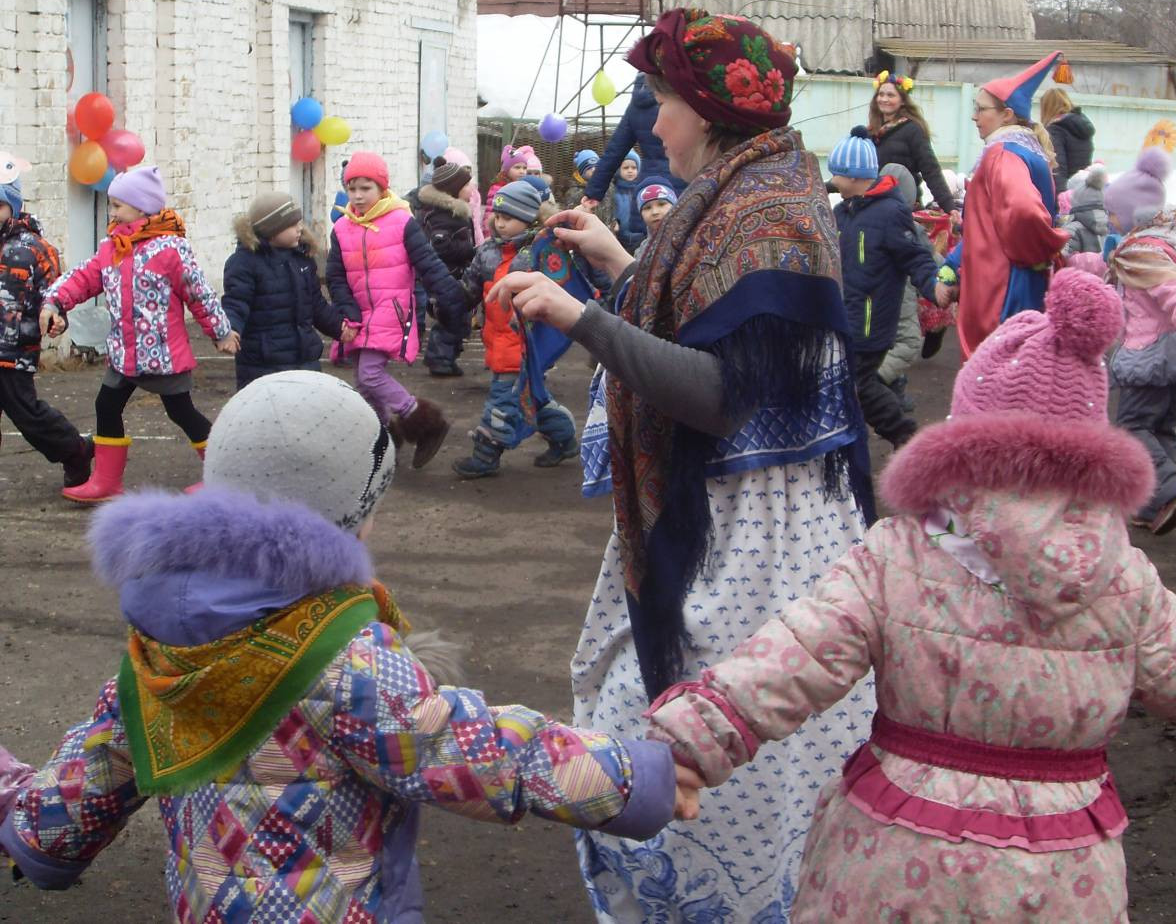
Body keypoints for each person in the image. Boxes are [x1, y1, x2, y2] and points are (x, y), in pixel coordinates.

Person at [648, 268, 1176, 922]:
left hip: (895, 857)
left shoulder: (901, 552)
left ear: (964, 433)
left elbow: (794, 654)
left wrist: (691, 744)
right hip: (1060, 878)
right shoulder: (1120, 575)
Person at [0, 371, 681, 920]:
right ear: (354, 512)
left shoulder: (158, 651)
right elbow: (482, 751)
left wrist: (32, 827)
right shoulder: (340, 662)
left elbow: (78, 792)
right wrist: (637, 778)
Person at [492, 7, 876, 922]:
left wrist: (577, 317)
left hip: (756, 545)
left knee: (710, 738)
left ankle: (722, 903)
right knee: (677, 722)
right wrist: (619, 261)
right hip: (737, 524)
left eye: (662, 100)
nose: (652, 121)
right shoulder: (750, 191)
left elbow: (720, 394)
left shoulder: (768, 214)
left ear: (705, 110)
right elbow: (711, 324)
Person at [40, 166, 237, 501]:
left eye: (118, 205)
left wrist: (219, 331)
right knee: (106, 405)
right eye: (112, 204)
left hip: (162, 355)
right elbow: (85, 277)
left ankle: (224, 474)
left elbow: (198, 292)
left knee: (181, 412)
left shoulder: (170, 249)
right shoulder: (112, 247)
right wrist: (56, 301)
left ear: (143, 207)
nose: (112, 211)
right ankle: (107, 482)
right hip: (123, 353)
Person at [325, 151, 466, 469]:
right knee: (363, 382)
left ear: (382, 188)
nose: (358, 196)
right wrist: (346, 311)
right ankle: (383, 439)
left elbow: (428, 264)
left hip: (392, 311)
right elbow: (335, 276)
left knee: (371, 375)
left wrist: (452, 299)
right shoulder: (342, 229)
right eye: (352, 189)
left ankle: (425, 422)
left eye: (366, 188)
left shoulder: (402, 221)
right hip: (358, 315)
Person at [452, 176, 584, 479]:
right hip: (495, 341)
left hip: (523, 343)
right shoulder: (487, 251)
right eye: (496, 217)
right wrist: (450, 302)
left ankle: (486, 455)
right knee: (532, 398)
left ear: (526, 219)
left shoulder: (537, 253)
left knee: (502, 401)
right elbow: (470, 287)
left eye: (508, 218)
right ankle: (564, 439)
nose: (499, 224)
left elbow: (561, 286)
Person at [941, 53, 1071, 358]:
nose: (974, 117)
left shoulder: (1002, 153)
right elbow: (987, 225)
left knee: (999, 376)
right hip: (1018, 281)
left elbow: (1024, 212)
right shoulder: (1024, 150)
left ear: (1007, 114)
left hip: (1003, 289)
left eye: (981, 109)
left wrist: (1034, 253)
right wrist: (955, 263)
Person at [829, 127, 942, 449]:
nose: (833, 180)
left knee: (860, 383)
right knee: (848, 384)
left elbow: (916, 257)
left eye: (837, 173)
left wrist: (934, 287)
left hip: (871, 322)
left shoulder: (891, 213)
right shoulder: (843, 214)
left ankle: (905, 436)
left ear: (853, 176)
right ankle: (853, 439)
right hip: (846, 318)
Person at [1107, 204, 1176, 535]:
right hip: (1173, 360)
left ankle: (1171, 488)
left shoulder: (1145, 255)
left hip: (1147, 360)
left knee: (1132, 429)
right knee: (1161, 431)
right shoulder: (1164, 255)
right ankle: (1154, 504)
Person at [0, 176, 92, 487]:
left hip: (13, 350)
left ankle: (76, 450)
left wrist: (57, 317)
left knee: (27, 415)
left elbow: (53, 291)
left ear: (13, 206)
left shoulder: (36, 248)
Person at [222, 192, 354, 390]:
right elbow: (236, 302)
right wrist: (228, 331)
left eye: (300, 222)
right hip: (263, 366)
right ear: (271, 230)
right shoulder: (244, 263)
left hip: (304, 360)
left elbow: (316, 305)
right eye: (293, 224)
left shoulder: (302, 258)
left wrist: (339, 327)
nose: (300, 228)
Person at [875, 162, 936, 413]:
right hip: (901, 296)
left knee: (882, 344)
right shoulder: (910, 228)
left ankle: (893, 392)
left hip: (870, 298)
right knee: (909, 342)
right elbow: (929, 259)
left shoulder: (863, 217)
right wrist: (953, 274)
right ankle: (871, 385)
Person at [408, 157, 477, 378]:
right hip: (445, 278)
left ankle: (448, 357)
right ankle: (439, 359)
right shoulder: (442, 216)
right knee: (450, 319)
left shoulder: (457, 212)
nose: (471, 188)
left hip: (456, 275)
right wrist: (469, 250)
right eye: (466, 185)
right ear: (453, 190)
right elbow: (440, 246)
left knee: (459, 318)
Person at [579, 81, 683, 215]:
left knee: (648, 231)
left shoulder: (638, 104)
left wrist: (593, 193)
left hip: (649, 188)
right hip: (683, 181)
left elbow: (614, 151)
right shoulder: (685, 95)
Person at [866, 71, 958, 214]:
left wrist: (949, 207)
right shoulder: (871, 132)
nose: (884, 99)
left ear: (902, 101)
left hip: (902, 205)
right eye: (881, 94)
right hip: (873, 203)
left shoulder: (912, 130)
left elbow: (931, 170)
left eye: (890, 95)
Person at [1103, 146, 1172, 237]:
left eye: (1112, 213)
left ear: (1132, 215)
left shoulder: (1141, 249)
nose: (1109, 219)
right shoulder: (1132, 242)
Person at [1042, 87, 1096, 187]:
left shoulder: (1055, 130)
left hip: (1067, 191)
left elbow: (1058, 169)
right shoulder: (1081, 125)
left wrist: (1061, 199)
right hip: (1083, 187)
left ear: (1046, 108)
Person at [598, 150, 647, 252]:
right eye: (625, 168)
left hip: (642, 236)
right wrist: (614, 221)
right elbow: (610, 210)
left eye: (634, 168)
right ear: (618, 170)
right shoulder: (614, 191)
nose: (630, 171)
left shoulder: (642, 189)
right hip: (621, 237)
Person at [1061, 163, 1111, 258]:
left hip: (1079, 272)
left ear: (1075, 201)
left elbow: (1063, 257)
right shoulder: (1108, 223)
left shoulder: (1073, 228)